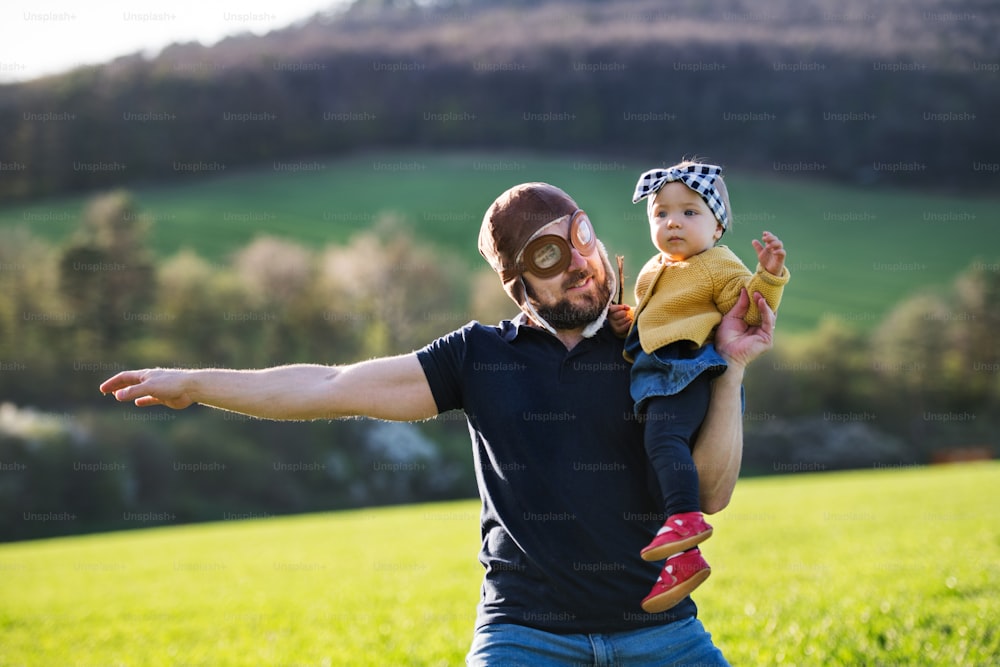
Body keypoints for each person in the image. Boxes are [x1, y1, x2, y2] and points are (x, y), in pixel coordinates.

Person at [100, 181, 776, 666]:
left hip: (661, 633)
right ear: (520, 283)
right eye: (548, 259)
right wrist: (195, 382)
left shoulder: (662, 346)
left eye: (580, 239)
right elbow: (329, 384)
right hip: (525, 636)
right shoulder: (478, 356)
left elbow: (710, 494)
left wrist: (733, 369)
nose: (577, 264)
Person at [624, 161, 789, 614]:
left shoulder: (718, 264)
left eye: (689, 213)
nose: (672, 221)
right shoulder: (651, 270)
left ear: (717, 225)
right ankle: (683, 558)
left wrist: (769, 277)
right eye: (660, 213)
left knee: (664, 439)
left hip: (689, 364)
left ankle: (685, 521)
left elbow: (750, 311)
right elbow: (650, 316)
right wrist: (630, 320)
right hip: (658, 369)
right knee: (655, 467)